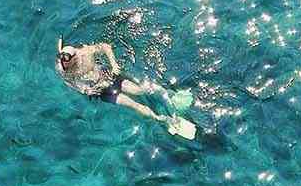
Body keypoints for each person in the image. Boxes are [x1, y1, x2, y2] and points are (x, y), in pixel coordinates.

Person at [55, 38, 196, 139]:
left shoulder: (85, 53)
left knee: (141, 90)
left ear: (74, 57)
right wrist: (84, 90)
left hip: (109, 77)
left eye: (67, 62)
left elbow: (105, 47)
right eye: (63, 62)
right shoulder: (63, 69)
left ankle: (170, 94)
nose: (65, 65)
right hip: (101, 91)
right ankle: (164, 120)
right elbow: (69, 82)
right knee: (133, 104)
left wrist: (114, 64)